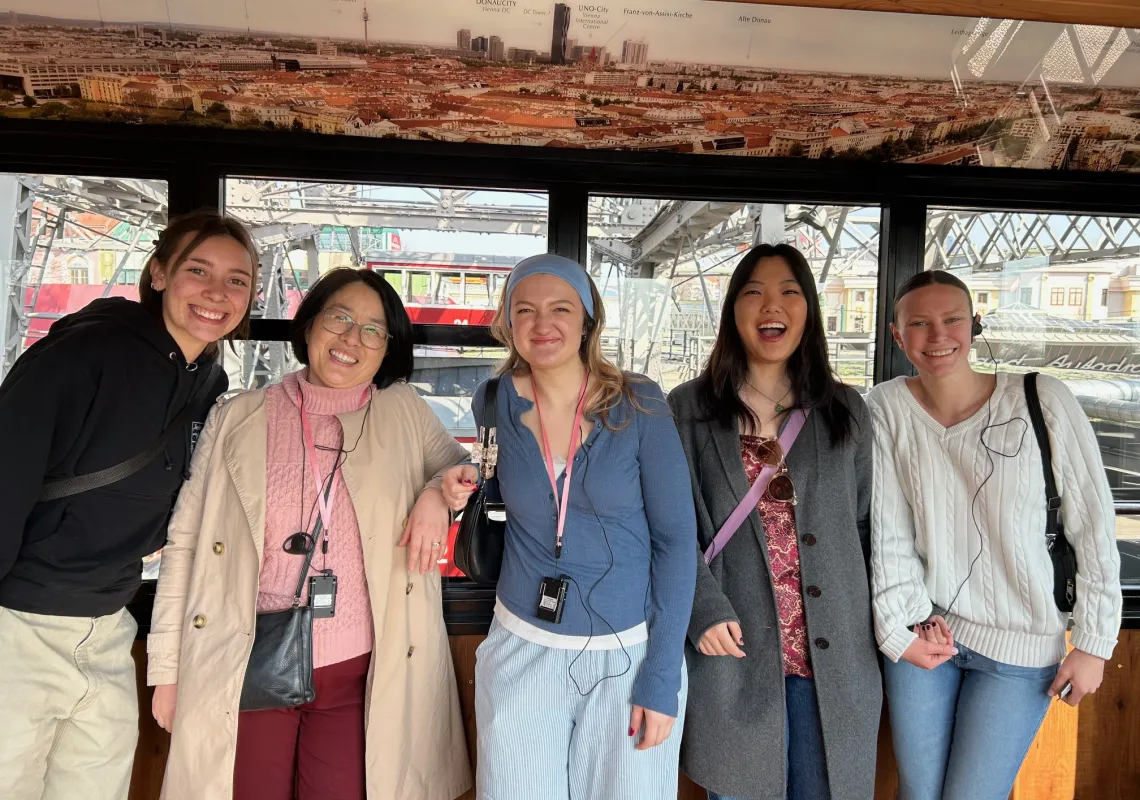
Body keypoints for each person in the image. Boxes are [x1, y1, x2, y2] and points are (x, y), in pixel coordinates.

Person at [147, 268, 472, 800]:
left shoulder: (404, 411)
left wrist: (438, 492)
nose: (352, 339)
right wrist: (167, 670)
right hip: (249, 661)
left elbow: (465, 471)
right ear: (310, 323)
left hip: (359, 671)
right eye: (339, 317)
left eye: (373, 329)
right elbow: (185, 544)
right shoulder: (239, 417)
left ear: (387, 348)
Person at [0, 209, 258, 800]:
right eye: (199, 270)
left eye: (238, 280)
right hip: (18, 623)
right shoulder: (81, 355)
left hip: (112, 627)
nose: (217, 293)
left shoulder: (208, 387)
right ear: (159, 274)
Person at [441, 253, 696, 800]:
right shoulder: (493, 400)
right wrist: (430, 492)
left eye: (561, 308)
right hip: (521, 645)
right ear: (507, 322)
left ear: (587, 319)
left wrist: (662, 677)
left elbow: (676, 542)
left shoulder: (638, 402)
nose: (542, 324)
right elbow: (479, 478)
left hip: (625, 655)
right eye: (524, 309)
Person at [868, 270, 1122, 800]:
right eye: (919, 323)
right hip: (928, 635)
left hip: (1021, 646)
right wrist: (903, 628)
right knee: (918, 792)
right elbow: (889, 535)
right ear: (898, 336)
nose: (938, 335)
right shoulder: (886, 408)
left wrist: (1095, 644)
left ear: (974, 324)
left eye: (952, 319)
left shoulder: (1041, 400)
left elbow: (1093, 528)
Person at [667, 243, 880, 800]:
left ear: (808, 309)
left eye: (790, 291)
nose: (772, 305)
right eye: (754, 292)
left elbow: (867, 528)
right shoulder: (688, 409)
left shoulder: (844, 408)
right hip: (734, 649)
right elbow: (669, 529)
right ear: (733, 310)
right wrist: (702, 611)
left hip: (832, 656)